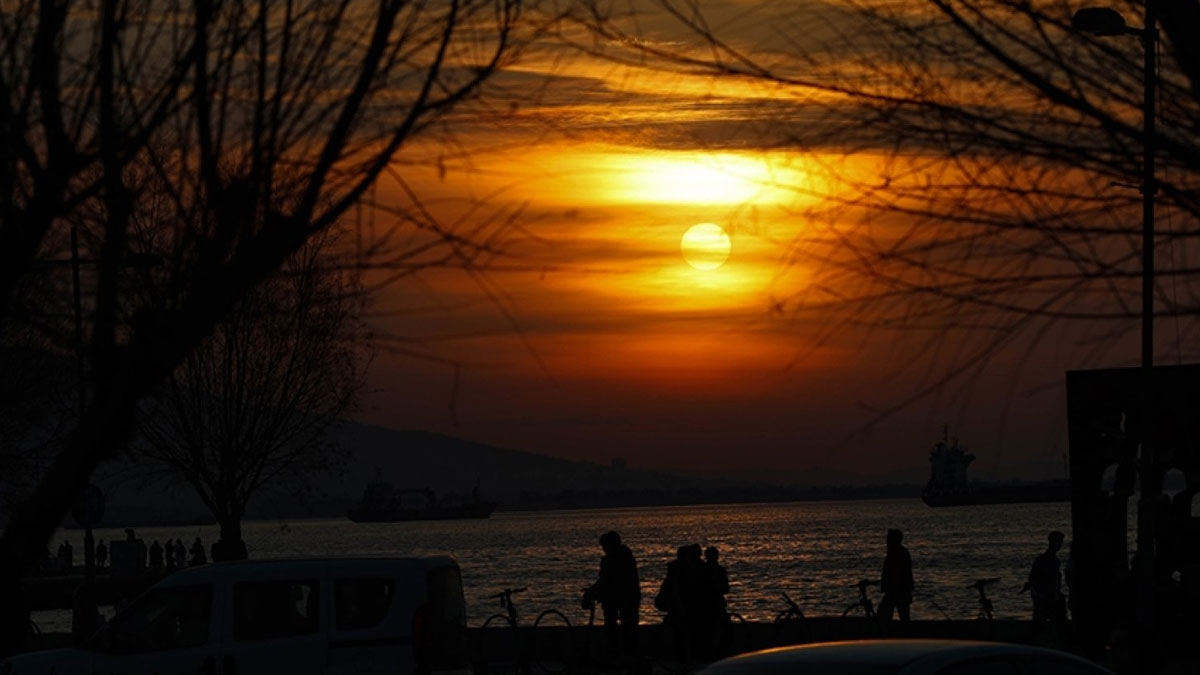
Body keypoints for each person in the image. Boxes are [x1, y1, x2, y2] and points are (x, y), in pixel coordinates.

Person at [584, 530, 640, 660]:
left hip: (621, 599)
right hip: (623, 598)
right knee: (625, 628)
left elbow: (607, 580)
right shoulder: (625, 557)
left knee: (619, 628)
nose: (603, 549)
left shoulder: (615, 559)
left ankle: (619, 656)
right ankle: (625, 655)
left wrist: (593, 591)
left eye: (604, 546)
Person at [1027, 530, 1067, 622]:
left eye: (1061, 542)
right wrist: (1039, 597)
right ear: (1051, 542)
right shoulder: (1043, 560)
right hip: (1045, 601)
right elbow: (1033, 580)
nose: (1060, 545)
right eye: (1058, 542)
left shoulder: (1055, 560)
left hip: (1053, 600)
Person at [878, 528, 914, 622]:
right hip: (899, 591)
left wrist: (887, 585)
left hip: (896, 591)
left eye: (888, 538)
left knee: (885, 614)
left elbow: (895, 573)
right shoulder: (900, 552)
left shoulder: (896, 553)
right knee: (902, 616)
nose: (886, 541)